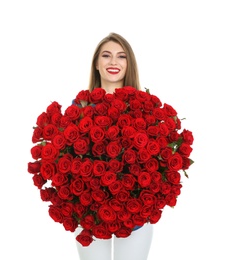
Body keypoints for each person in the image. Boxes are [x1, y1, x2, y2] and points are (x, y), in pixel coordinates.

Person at [74, 32, 154, 260]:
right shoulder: (78, 108)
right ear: (96, 64)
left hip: (135, 217)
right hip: (90, 215)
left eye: (121, 56)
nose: (113, 62)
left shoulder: (144, 109)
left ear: (129, 65)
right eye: (106, 55)